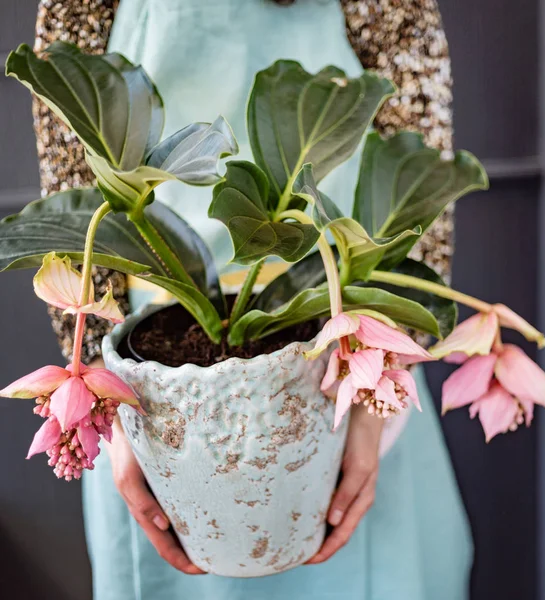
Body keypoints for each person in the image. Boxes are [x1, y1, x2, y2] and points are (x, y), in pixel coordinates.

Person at [33, 1, 471, 599]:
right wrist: (105, 415)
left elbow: (419, 144)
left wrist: (373, 410)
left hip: (349, 366)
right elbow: (71, 152)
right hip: (153, 405)